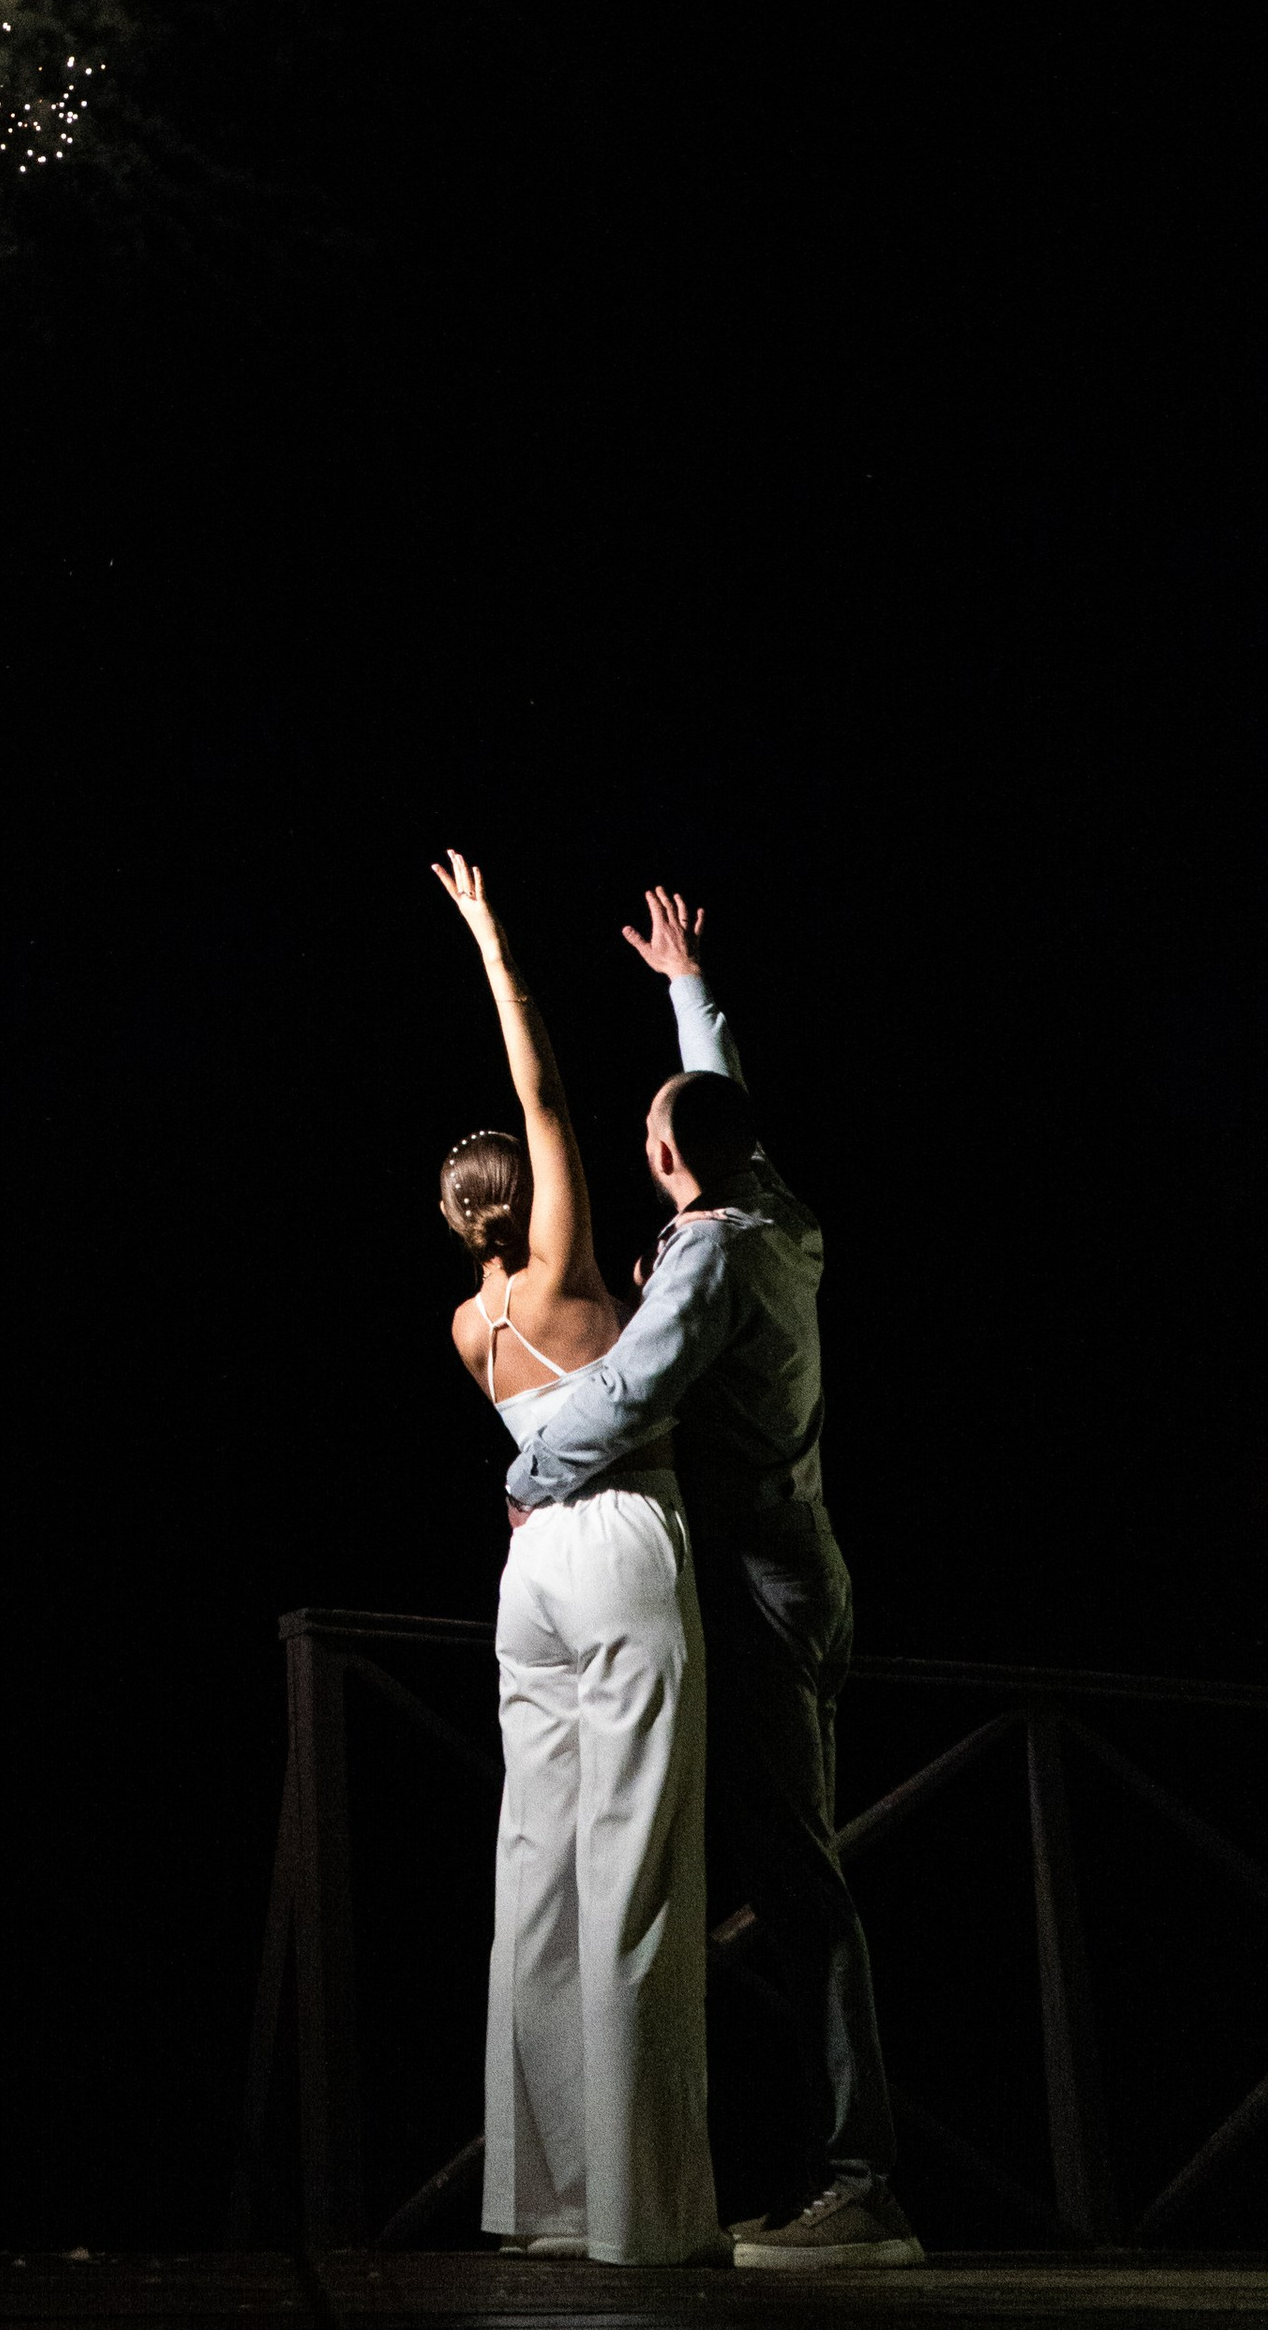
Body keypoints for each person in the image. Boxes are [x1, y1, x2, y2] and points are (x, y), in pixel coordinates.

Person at [499, 886, 922, 2270]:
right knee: (792, 1876)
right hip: (813, 1576)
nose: (643, 1149)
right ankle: (817, 2166)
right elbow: (723, 1115)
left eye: (649, 1139)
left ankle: (862, 2184)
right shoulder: (777, 1212)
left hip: (750, 1587)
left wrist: (525, 1467)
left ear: (672, 1157)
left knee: (798, 1884)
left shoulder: (716, 1254)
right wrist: (690, 988)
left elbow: (625, 1392)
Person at [431, 849, 721, 2270]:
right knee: (636, 1862)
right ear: (525, 1203)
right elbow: (541, 1092)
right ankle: (640, 2218)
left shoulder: (470, 1329)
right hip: (613, 1545)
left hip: (525, 1575)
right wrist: (497, 942)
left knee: (533, 1867)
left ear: (448, 1220)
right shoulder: (563, 1270)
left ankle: (538, 2200)